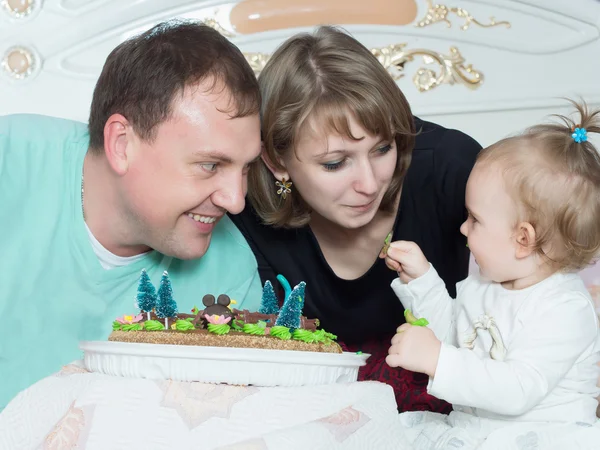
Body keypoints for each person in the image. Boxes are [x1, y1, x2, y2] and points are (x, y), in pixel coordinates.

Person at [0, 21, 264, 410]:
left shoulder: (233, 272)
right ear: (122, 144)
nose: (236, 200)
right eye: (210, 165)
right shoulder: (9, 162)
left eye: (245, 169)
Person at [228, 25, 482, 412]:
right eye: (335, 163)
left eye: (383, 148)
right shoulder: (240, 206)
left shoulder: (452, 168)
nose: (369, 183)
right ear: (276, 161)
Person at [384, 102, 600, 448]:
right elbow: (454, 332)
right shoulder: (485, 283)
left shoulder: (565, 308)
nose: (463, 228)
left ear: (523, 239)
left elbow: (517, 389)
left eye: (474, 219)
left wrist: (439, 360)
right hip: (477, 432)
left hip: (543, 437)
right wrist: (422, 280)